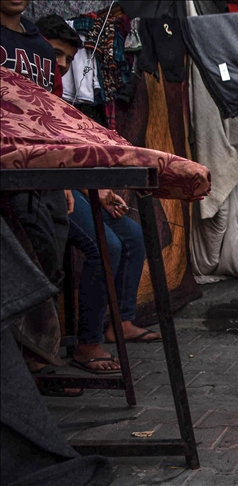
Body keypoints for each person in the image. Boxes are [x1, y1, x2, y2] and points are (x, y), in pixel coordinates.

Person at [35, 15, 161, 374]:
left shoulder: (57, 89)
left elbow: (69, 148)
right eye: (56, 54)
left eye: (66, 59)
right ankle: (87, 342)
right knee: (108, 246)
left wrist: (100, 190)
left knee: (133, 236)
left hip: (69, 179)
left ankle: (119, 321)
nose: (61, 64)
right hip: (41, 184)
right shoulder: (25, 83)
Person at [1, 0, 77, 394]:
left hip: (44, 169)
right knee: (17, 258)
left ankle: (37, 356)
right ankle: (17, 365)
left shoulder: (41, 47)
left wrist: (62, 178)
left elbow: (56, 115)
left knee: (49, 254)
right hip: (5, 168)